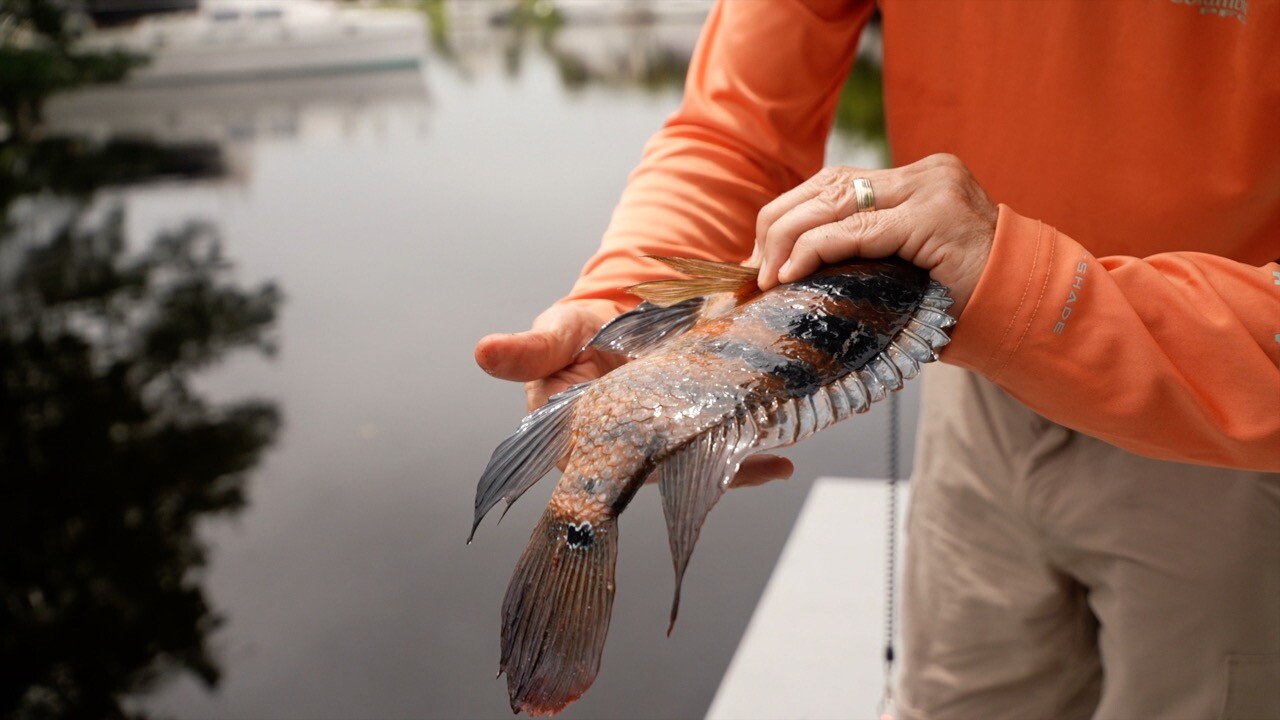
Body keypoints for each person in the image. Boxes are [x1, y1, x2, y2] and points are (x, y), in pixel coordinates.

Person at [475, 2, 1280, 718]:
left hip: (1223, 410)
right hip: (977, 378)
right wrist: (629, 297)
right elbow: (736, 129)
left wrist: (1033, 290)